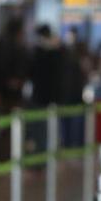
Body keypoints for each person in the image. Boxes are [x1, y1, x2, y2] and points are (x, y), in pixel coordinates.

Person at [28, 24, 65, 152]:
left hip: (40, 97)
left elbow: (31, 73)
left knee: (41, 129)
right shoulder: (58, 52)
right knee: (48, 129)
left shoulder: (38, 52)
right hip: (52, 97)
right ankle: (45, 156)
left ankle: (41, 157)